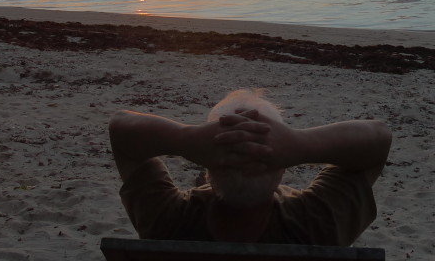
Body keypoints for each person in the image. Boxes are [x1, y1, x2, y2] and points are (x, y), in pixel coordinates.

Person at [109, 89, 392, 245]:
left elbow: (121, 130)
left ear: (207, 166)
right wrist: (301, 143)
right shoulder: (318, 223)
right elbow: (378, 139)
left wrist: (186, 139)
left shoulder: (169, 221)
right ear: (282, 165)